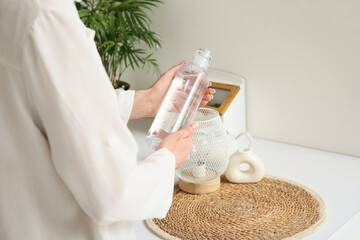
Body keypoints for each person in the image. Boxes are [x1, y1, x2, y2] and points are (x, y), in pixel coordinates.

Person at [0, 0, 214, 239]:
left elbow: (50, 101)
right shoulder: (48, 18)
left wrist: (148, 101)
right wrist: (167, 159)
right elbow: (111, 194)